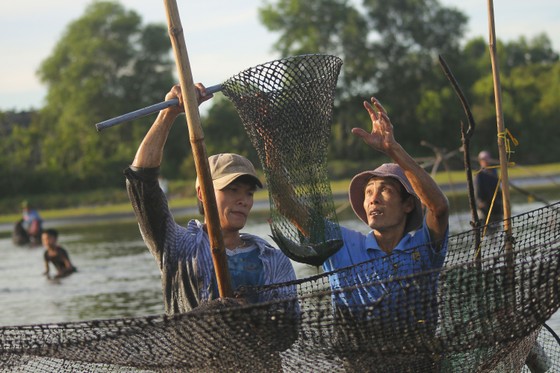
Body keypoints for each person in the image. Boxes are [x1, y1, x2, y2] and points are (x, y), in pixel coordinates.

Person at [274, 96, 449, 370]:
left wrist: (393, 149)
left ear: (407, 205)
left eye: (385, 191)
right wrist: (270, 142)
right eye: (368, 193)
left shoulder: (423, 248)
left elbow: (438, 208)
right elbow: (287, 204)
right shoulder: (341, 244)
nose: (373, 199)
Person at [124, 83, 297, 315]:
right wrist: (168, 114)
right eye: (232, 190)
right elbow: (141, 182)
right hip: (196, 353)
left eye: (248, 193)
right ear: (202, 194)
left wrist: (252, 312)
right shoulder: (179, 247)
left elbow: (287, 330)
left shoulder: (272, 259)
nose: (243, 200)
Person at [475, 150, 503, 226]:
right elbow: (478, 191)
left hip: (496, 205)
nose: (486, 161)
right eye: (484, 159)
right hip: (485, 207)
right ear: (480, 161)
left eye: (487, 159)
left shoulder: (494, 171)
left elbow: (498, 188)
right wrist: (481, 202)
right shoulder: (479, 174)